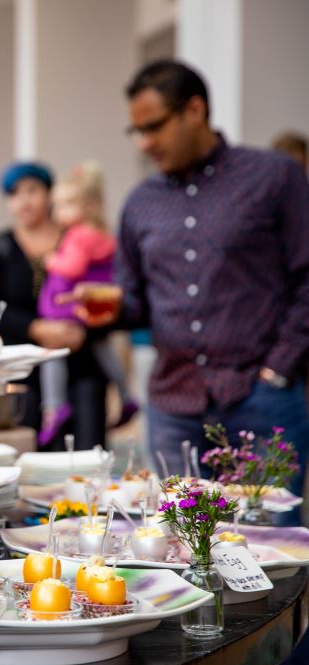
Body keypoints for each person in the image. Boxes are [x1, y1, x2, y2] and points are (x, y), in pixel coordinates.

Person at [66, 60, 309, 522]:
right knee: (175, 544)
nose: (145, 143)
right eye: (136, 131)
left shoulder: (274, 178)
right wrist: (109, 309)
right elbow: (136, 300)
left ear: (195, 110)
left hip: (259, 398)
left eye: (154, 127)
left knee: (266, 548)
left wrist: (279, 368)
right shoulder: (141, 203)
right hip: (173, 406)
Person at [0, 162, 109, 450]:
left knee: (85, 458)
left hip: (80, 364)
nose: (24, 200)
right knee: (29, 461)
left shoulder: (79, 240)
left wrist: (79, 331)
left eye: (32, 190)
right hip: (24, 376)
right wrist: (37, 329)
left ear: (49, 194)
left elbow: (107, 288)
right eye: (14, 194)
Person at [36, 162, 139, 446]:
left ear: (89, 205)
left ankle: (53, 407)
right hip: (91, 308)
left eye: (67, 205)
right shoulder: (103, 232)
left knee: (52, 354)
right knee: (104, 349)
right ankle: (126, 395)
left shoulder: (79, 235)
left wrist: (50, 260)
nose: (59, 213)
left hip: (69, 307)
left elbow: (72, 267)